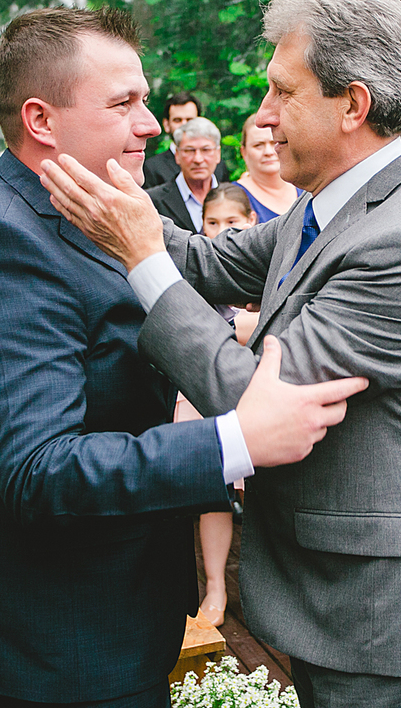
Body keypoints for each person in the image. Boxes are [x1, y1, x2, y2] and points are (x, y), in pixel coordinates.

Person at [41, 0, 401, 708]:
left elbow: (254, 401)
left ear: (352, 105)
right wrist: (108, 193)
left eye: (283, 91)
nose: (262, 113)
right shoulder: (338, 198)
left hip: (381, 615)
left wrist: (139, 257)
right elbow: (208, 261)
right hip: (335, 596)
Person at [0, 6, 367, 708]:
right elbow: (39, 471)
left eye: (145, 100)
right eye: (123, 103)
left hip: (115, 602)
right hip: (61, 632)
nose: (151, 125)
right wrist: (237, 440)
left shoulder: (87, 206)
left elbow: (206, 269)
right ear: (41, 120)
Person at [187, 182, 259, 627]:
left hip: (259, 394)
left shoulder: (273, 266)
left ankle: (265, 586)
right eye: (211, 223)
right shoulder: (200, 275)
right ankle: (215, 584)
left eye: (231, 221)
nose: (220, 231)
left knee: (263, 493)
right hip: (207, 394)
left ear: (252, 222)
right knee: (214, 489)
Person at [146, 116, 221, 233]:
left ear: (218, 154)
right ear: (177, 155)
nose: (198, 159)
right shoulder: (153, 201)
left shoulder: (234, 198)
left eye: (206, 150)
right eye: (189, 150)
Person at [141, 93, 228, 188]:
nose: (184, 125)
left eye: (190, 120)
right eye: (177, 120)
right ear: (166, 124)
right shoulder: (152, 168)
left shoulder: (217, 166)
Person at [235, 114, 300, 220]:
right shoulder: (233, 197)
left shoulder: (306, 189)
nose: (268, 152)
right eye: (258, 145)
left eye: (275, 143)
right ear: (244, 152)